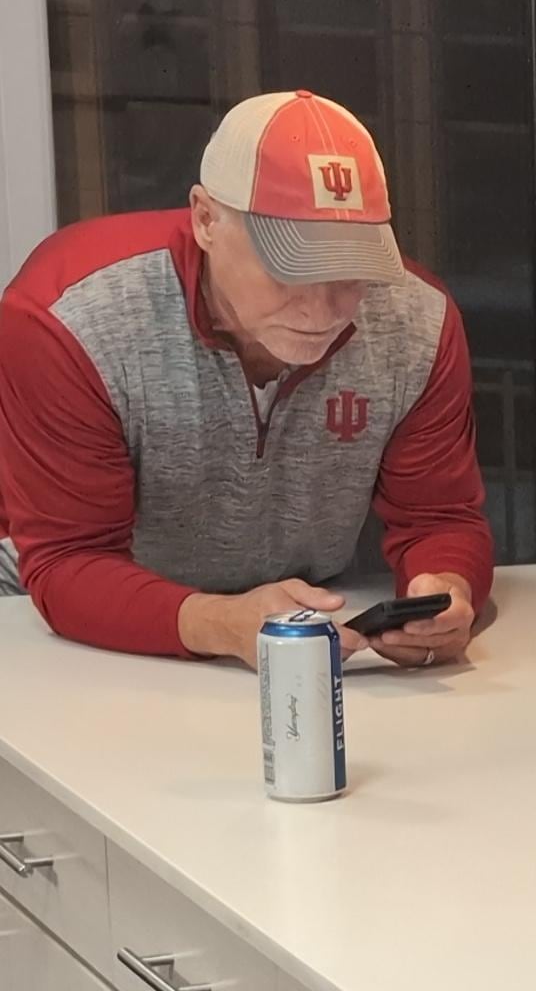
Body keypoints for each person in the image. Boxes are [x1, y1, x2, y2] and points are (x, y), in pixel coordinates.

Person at [0, 90, 491, 666]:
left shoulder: (417, 321)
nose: (322, 310)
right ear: (206, 219)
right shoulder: (74, 318)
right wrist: (223, 624)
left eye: (350, 269)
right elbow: (70, 558)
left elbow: (439, 518)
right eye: (290, 268)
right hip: (49, 628)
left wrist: (447, 591)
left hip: (293, 631)